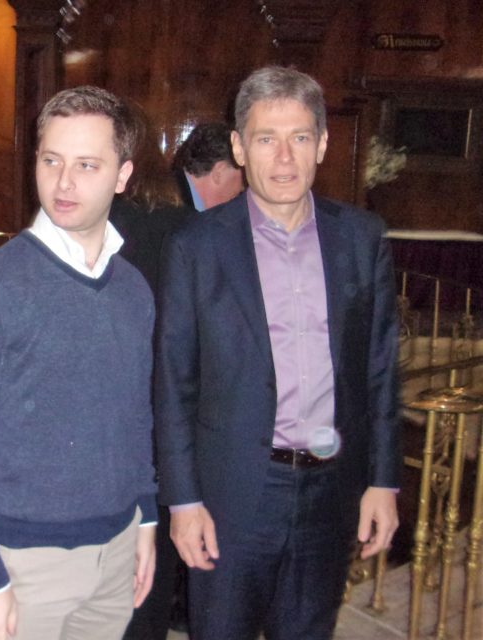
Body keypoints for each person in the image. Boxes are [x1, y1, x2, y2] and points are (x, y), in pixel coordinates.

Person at [156, 66, 401, 640]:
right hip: (234, 493)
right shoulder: (196, 247)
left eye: (299, 137)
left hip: (332, 489)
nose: (285, 158)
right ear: (240, 148)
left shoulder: (361, 237)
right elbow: (172, 383)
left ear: (323, 143)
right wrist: (183, 501)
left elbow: (381, 370)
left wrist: (383, 482)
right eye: (266, 138)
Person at [0, 86, 158, 640]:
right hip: (23, 562)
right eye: (51, 161)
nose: (64, 183)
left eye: (87, 165)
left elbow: (134, 415)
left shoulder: (132, 289)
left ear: (123, 175)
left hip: (117, 547)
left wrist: (146, 515)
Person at [109, 113, 191, 640]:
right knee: (150, 574)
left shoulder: (88, 225)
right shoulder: (187, 228)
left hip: (103, 419)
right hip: (163, 419)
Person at [172, 122, 243, 212]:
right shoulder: (172, 209)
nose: (239, 199)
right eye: (237, 195)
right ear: (219, 172)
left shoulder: (174, 193)